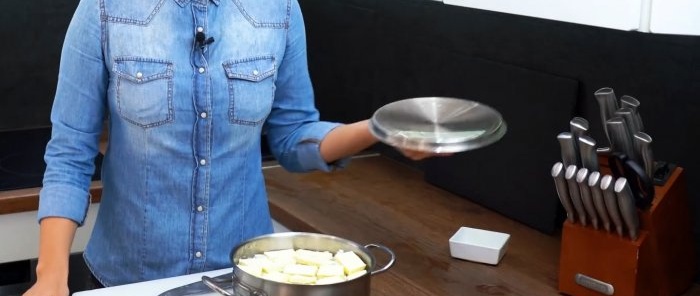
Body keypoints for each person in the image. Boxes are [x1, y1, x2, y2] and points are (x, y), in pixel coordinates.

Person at [23, 0, 436, 295]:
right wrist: (50, 276)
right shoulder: (104, 10)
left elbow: (293, 138)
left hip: (245, 280)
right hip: (131, 279)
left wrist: (378, 129)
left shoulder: (280, 11)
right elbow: (69, 154)